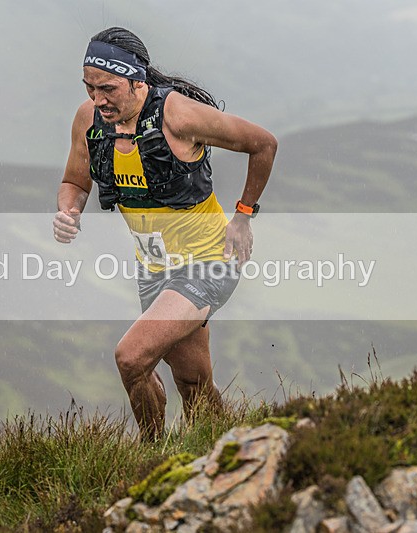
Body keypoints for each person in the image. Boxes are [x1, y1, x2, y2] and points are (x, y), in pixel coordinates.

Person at [53, 27, 277, 441]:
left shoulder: (178, 115)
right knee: (192, 382)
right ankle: (224, 447)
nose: (97, 99)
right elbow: (75, 181)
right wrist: (69, 211)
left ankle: (152, 454)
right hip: (154, 267)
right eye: (89, 88)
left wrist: (243, 217)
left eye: (108, 88)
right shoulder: (89, 120)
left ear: (138, 81)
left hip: (208, 260)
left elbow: (263, 144)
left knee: (131, 358)